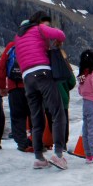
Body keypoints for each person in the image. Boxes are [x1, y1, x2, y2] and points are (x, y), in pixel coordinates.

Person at [14, 11, 69, 170]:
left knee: (36, 117)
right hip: (43, 73)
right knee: (57, 112)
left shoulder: (18, 36)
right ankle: (58, 154)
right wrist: (55, 39)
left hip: (27, 78)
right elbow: (61, 35)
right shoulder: (39, 29)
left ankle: (39, 157)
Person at [0, 30, 33, 152]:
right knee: (34, 115)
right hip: (30, 86)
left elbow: (1, 67)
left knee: (18, 116)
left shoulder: (11, 46)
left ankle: (22, 143)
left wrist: (2, 86)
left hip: (14, 88)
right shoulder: (32, 44)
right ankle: (37, 142)